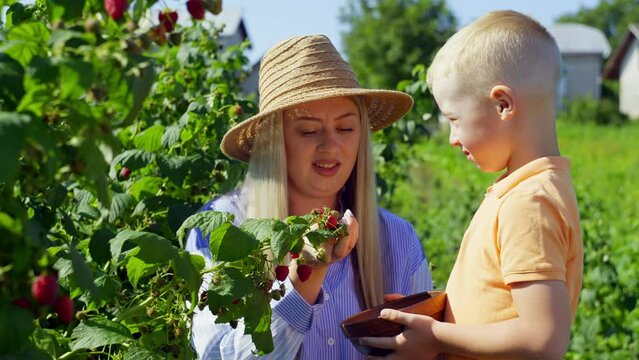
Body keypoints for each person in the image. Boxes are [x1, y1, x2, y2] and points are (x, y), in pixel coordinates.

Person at [186, 34, 433, 359]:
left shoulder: (397, 239)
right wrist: (303, 277)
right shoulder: (223, 233)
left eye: (346, 129)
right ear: (273, 141)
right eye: (308, 130)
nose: (330, 146)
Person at [360, 10, 583, 360]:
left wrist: (436, 336)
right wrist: (441, 311)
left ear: (503, 104)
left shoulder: (528, 202)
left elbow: (543, 339)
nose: (451, 138)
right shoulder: (523, 189)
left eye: (454, 120)